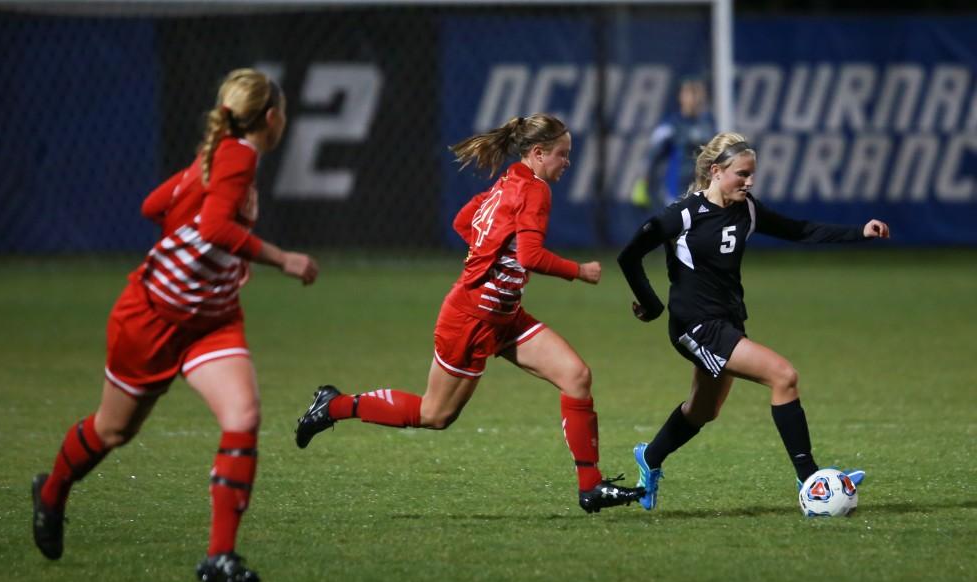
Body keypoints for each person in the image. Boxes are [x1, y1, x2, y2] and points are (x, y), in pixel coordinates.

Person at [30, 69, 318, 582]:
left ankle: (220, 556)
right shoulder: (237, 157)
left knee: (243, 414)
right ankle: (51, 491)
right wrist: (283, 259)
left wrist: (208, 253)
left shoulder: (219, 156)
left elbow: (153, 207)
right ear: (271, 118)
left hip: (211, 320)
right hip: (153, 319)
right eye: (284, 110)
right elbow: (212, 227)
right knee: (113, 431)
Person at [296, 113, 644, 513]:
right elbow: (530, 256)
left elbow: (464, 221)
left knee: (576, 377)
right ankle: (334, 405)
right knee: (434, 414)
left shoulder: (511, 181)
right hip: (471, 320)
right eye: (562, 154)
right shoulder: (535, 191)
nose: (567, 161)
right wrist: (578, 271)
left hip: (506, 316)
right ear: (537, 153)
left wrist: (489, 255)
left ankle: (591, 486)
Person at [617, 131, 890, 510]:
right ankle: (811, 480)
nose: (749, 182)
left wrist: (859, 232)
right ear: (716, 172)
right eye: (741, 174)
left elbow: (800, 230)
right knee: (783, 376)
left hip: (727, 321)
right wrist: (651, 305)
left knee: (703, 411)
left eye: (752, 175)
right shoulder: (682, 215)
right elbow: (628, 255)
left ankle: (650, 458)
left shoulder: (747, 209)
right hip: (695, 326)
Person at [632, 76, 716, 210]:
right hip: (676, 197)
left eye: (698, 92)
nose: (694, 98)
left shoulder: (710, 126)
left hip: (704, 197)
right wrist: (642, 186)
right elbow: (650, 158)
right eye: (690, 92)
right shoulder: (670, 127)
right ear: (681, 96)